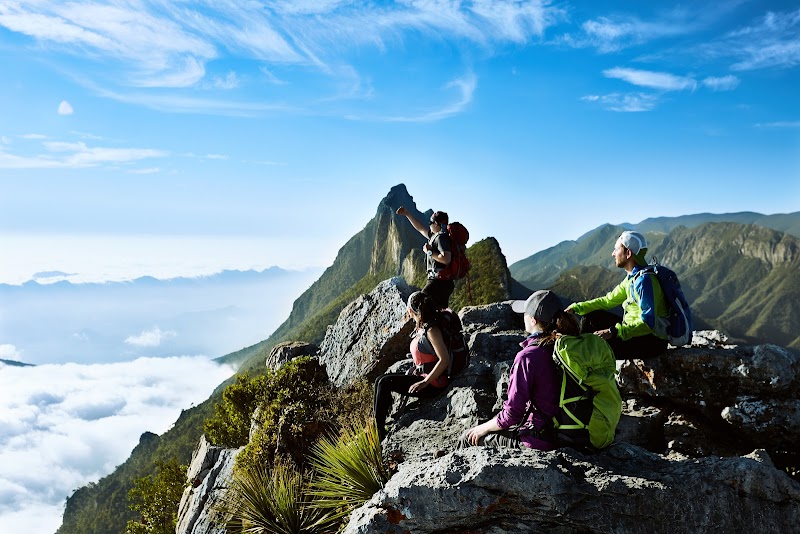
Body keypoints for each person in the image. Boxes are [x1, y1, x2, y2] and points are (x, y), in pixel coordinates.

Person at [460, 290, 578, 450]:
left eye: (525, 313)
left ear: (533, 320)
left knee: (467, 438)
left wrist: (483, 428)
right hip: (569, 433)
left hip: (539, 438)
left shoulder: (528, 356)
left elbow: (512, 415)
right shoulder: (569, 347)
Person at [566, 230, 669, 360]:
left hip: (651, 341)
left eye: (616, 249)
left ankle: (581, 362)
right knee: (591, 317)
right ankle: (581, 358)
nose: (613, 253)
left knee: (599, 344)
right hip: (634, 333)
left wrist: (613, 331)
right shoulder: (632, 278)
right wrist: (577, 308)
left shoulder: (644, 281)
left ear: (628, 253)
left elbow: (648, 323)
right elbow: (608, 301)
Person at [374, 291, 451, 441]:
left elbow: (444, 360)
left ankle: (379, 434)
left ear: (410, 311)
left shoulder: (432, 330)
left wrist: (424, 382)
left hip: (433, 383)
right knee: (380, 380)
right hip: (424, 377)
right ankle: (379, 426)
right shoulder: (423, 327)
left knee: (384, 383)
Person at [396, 206, 453, 309]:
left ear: (436, 224)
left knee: (418, 304)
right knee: (438, 310)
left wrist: (429, 252)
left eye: (430, 223)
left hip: (438, 282)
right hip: (443, 282)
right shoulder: (436, 236)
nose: (429, 225)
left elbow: (446, 259)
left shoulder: (441, 237)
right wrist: (407, 214)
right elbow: (420, 228)